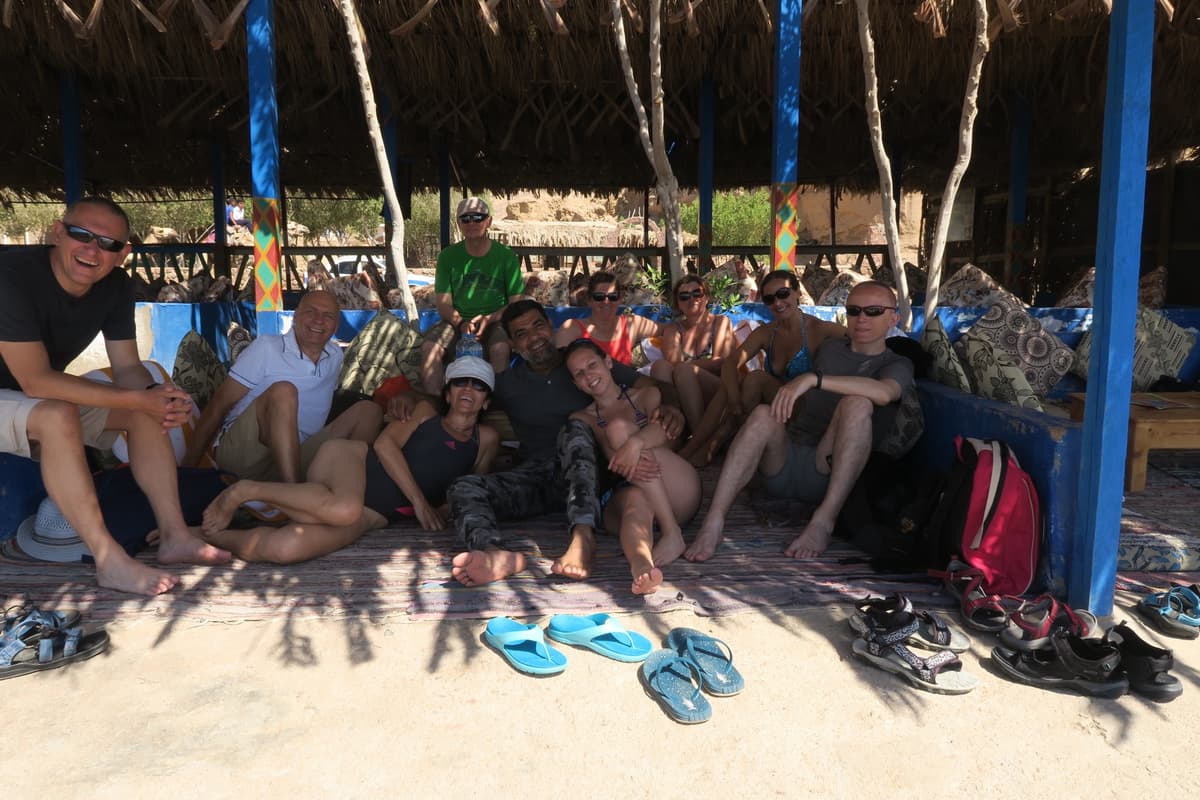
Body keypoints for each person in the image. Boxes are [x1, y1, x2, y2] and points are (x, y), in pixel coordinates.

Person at [0, 197, 230, 595]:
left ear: (123, 253)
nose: (93, 250)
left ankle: (175, 536)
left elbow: (126, 368)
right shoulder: (11, 277)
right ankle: (108, 561)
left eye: (108, 244)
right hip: (31, 390)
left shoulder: (116, 287)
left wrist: (157, 396)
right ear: (58, 232)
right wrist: (138, 398)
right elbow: (36, 381)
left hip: (25, 394)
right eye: (81, 235)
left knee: (144, 413)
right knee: (57, 415)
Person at [438, 299, 684, 588]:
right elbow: (448, 401)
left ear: (551, 327)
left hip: (594, 475)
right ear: (514, 345)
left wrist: (671, 406)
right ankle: (494, 553)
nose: (534, 337)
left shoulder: (580, 363)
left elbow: (655, 387)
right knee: (462, 487)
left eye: (538, 326)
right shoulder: (508, 383)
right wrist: (410, 399)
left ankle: (583, 536)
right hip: (541, 478)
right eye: (521, 334)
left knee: (575, 427)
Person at [688, 281, 915, 562]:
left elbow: (885, 393)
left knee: (857, 403)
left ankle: (823, 522)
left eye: (874, 311)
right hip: (786, 460)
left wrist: (813, 379)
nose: (862, 318)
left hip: (829, 469)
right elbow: (780, 344)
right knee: (762, 414)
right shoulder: (830, 348)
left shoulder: (897, 363)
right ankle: (713, 522)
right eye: (854, 311)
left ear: (893, 318)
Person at [199, 357, 499, 563]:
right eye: (460, 382)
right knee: (344, 507)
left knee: (286, 549)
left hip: (373, 514)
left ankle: (211, 534)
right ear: (447, 394)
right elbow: (384, 445)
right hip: (352, 462)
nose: (468, 389)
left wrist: (442, 511)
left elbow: (471, 489)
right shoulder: (425, 413)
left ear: (486, 401)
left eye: (478, 385)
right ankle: (245, 490)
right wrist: (420, 503)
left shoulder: (485, 439)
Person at [183, 290, 383, 483]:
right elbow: (218, 405)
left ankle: (352, 489)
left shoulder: (334, 355)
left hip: (297, 453)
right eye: (311, 312)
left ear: (336, 324)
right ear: (296, 316)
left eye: (328, 316)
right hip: (244, 454)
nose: (319, 320)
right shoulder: (267, 348)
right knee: (284, 391)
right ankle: (293, 493)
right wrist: (187, 472)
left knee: (369, 411)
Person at [565, 340, 700, 595]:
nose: (588, 376)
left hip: (674, 488)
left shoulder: (647, 395)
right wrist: (630, 450)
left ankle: (671, 530)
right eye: (579, 374)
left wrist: (635, 444)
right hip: (627, 493)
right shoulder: (582, 418)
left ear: (608, 362)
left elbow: (668, 435)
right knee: (635, 499)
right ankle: (642, 567)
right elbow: (616, 462)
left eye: (592, 365)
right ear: (575, 384)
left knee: (618, 431)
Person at [420, 197, 524, 392]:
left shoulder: (506, 256)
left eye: (478, 217)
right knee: (429, 348)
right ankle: (434, 403)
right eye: (465, 218)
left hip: (496, 320)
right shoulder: (447, 257)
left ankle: (495, 402)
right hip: (456, 321)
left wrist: (489, 318)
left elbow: (516, 303)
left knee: (500, 348)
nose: (472, 223)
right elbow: (443, 304)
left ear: (489, 221)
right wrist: (461, 323)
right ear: (459, 223)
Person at [720, 269, 845, 420]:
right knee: (725, 391)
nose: (777, 303)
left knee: (755, 379)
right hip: (777, 407)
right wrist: (733, 397)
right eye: (769, 299)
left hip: (806, 409)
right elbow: (730, 362)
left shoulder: (819, 329)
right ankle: (718, 431)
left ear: (798, 292)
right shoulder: (766, 333)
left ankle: (727, 430)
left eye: (783, 293)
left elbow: (859, 337)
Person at [649, 275, 735, 466]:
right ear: (678, 304)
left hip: (718, 393)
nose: (692, 299)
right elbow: (671, 363)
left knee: (683, 371)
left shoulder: (720, 322)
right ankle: (673, 432)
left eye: (697, 293)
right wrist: (689, 366)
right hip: (684, 394)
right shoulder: (674, 329)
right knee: (660, 367)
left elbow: (721, 362)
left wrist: (687, 366)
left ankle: (699, 441)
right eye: (684, 296)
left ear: (706, 297)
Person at [553, 271, 661, 366]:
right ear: (589, 300)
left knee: (661, 367)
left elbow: (666, 329)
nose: (606, 302)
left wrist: (669, 352)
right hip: (589, 382)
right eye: (599, 297)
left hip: (624, 382)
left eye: (612, 297)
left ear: (620, 299)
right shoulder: (572, 328)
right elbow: (560, 367)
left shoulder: (631, 324)